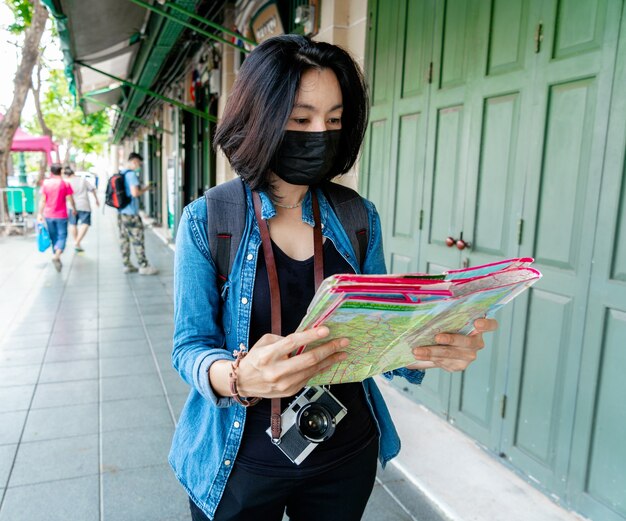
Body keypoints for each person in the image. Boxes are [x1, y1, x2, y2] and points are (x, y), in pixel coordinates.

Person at [171, 35, 498, 521]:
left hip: (344, 450)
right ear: (257, 118)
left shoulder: (357, 216)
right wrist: (239, 377)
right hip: (237, 458)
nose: (320, 133)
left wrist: (430, 344)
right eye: (301, 119)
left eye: (335, 119)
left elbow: (381, 337)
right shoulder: (210, 219)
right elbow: (189, 345)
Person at [116, 152, 158, 275]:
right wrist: (146, 188)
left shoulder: (122, 173)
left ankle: (127, 264)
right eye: (139, 163)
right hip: (131, 214)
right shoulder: (131, 175)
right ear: (134, 161)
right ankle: (143, 265)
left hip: (121, 213)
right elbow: (135, 193)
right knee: (138, 238)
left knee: (124, 239)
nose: (139, 165)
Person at [37, 163, 76, 272]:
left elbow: (43, 200)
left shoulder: (46, 183)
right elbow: (70, 198)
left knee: (54, 236)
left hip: (48, 214)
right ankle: (56, 256)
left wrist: (40, 214)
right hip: (61, 215)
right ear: (61, 171)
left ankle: (56, 255)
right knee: (62, 236)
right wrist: (74, 208)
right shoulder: (65, 183)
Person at [63, 166, 99, 252]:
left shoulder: (66, 182)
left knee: (73, 224)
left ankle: (77, 242)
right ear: (73, 173)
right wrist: (96, 200)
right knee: (85, 223)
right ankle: (77, 242)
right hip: (84, 204)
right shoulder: (82, 179)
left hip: (71, 206)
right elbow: (92, 189)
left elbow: (66, 196)